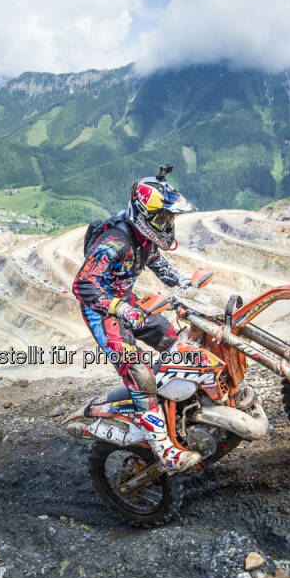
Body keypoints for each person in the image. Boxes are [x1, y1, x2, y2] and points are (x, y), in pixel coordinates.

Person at [71, 167, 201, 472]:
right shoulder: (116, 242)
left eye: (169, 219)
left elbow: (161, 267)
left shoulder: (145, 239)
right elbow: (83, 284)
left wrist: (187, 286)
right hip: (104, 313)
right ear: (142, 214)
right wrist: (118, 308)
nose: (166, 225)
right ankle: (164, 449)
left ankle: (177, 409)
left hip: (129, 305)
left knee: (179, 344)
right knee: (139, 374)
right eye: (162, 219)